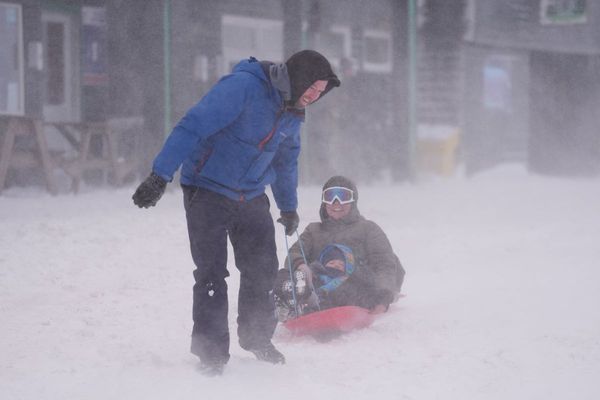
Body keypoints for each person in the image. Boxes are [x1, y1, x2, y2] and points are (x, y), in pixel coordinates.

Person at [131, 50, 340, 376]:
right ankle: (211, 352)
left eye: (319, 94)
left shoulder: (293, 112)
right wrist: (160, 175)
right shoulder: (243, 87)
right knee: (211, 273)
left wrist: (288, 206)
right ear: (296, 78)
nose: (312, 98)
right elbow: (194, 125)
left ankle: (257, 337)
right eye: (310, 89)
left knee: (263, 268)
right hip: (207, 188)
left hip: (251, 193)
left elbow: (286, 161)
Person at [274, 175, 405, 322]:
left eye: (343, 196)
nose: (336, 202)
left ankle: (313, 305)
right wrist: (301, 266)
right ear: (324, 202)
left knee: (348, 286)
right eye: (330, 196)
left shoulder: (368, 229)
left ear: (353, 200)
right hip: (319, 284)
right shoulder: (314, 230)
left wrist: (383, 296)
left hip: (357, 284)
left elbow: (384, 263)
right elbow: (295, 252)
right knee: (283, 277)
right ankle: (291, 304)